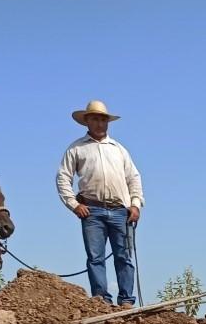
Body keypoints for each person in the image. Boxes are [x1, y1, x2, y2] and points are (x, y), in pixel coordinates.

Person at [56, 100, 145, 307]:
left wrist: (135, 204)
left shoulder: (119, 149)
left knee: (124, 256)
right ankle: (102, 301)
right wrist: (74, 204)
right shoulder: (76, 148)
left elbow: (134, 177)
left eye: (103, 119)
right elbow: (63, 178)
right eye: (95, 119)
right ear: (87, 121)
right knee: (96, 257)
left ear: (108, 123)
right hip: (92, 210)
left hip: (120, 210)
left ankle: (126, 300)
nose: (99, 123)